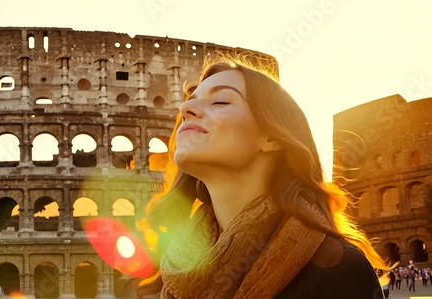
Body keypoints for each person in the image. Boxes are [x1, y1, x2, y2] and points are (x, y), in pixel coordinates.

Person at [136, 53, 389, 298]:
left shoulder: (338, 268)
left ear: (271, 138)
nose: (185, 107)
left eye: (220, 101)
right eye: (191, 100)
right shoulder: (170, 273)